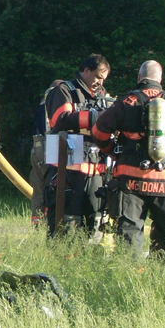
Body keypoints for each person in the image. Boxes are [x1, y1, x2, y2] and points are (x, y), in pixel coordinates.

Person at [92, 60, 165, 257]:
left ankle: (129, 280)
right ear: (160, 79)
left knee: (129, 234)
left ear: (139, 78)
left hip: (131, 182)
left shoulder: (126, 102)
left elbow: (98, 132)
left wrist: (112, 151)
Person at [43, 55, 113, 237]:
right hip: (66, 172)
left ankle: (89, 258)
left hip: (96, 170)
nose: (100, 82)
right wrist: (94, 117)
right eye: (98, 77)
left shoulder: (103, 96)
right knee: (66, 222)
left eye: (103, 79)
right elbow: (60, 120)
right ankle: (61, 258)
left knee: (95, 219)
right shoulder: (64, 90)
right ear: (86, 71)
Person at [30, 80, 62, 228]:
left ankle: (37, 223)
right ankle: (53, 221)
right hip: (52, 147)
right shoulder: (57, 105)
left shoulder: (41, 106)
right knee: (53, 185)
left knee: (38, 187)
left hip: (37, 149)